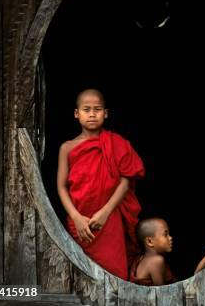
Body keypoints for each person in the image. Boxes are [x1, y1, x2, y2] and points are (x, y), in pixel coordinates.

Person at [57, 89, 145, 280]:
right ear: (76, 113)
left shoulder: (115, 143)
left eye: (97, 109)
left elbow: (126, 179)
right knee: (81, 275)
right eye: (86, 109)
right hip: (80, 220)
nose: (91, 114)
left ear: (105, 113)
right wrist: (76, 217)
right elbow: (61, 186)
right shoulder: (67, 148)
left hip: (109, 218)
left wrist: (105, 212)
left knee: (115, 275)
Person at [130, 218, 175, 286]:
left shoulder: (141, 258)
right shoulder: (157, 261)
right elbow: (162, 292)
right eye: (165, 235)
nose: (170, 238)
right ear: (150, 241)